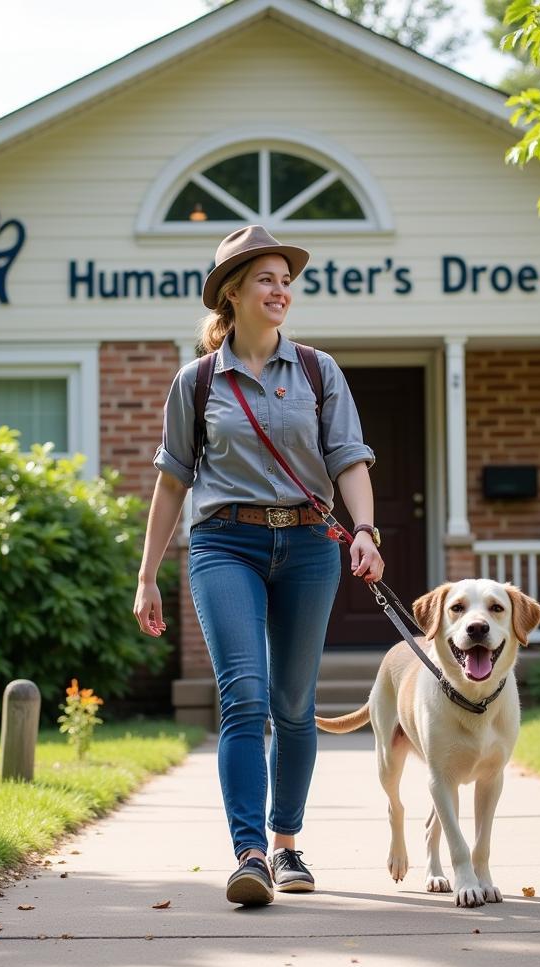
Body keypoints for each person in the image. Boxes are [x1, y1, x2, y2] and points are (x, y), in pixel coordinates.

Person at [133, 224, 384, 907]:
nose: (281, 291)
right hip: (225, 545)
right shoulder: (198, 381)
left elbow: (348, 459)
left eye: (286, 280)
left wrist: (364, 529)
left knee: (294, 704)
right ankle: (248, 853)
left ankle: (287, 845)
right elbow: (172, 481)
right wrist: (147, 573)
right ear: (233, 295)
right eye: (267, 280)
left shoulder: (316, 370)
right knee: (243, 694)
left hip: (308, 546)